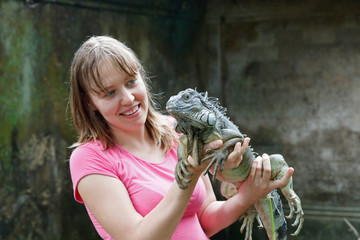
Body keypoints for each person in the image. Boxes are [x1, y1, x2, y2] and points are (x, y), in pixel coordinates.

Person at [68, 35, 294, 240]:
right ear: (89, 102)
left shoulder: (176, 130)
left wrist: (248, 195)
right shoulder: (89, 158)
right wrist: (190, 173)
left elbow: (204, 219)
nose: (128, 98)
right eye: (109, 92)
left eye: (130, 82)